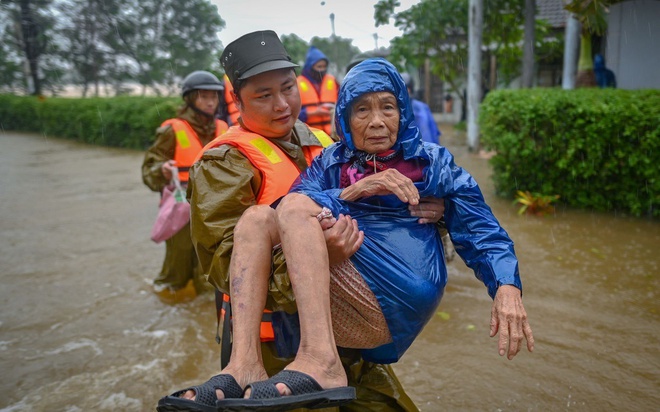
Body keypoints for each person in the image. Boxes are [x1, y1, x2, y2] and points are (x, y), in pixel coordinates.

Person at [160, 56, 534, 411]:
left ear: (403, 111)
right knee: (258, 218)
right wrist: (332, 239)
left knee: (291, 208)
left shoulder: (345, 147)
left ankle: (319, 359)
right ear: (237, 101)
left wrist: (498, 277)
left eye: (288, 88)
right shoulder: (233, 160)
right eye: (263, 95)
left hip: (356, 309)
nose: (281, 104)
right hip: (284, 326)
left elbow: (479, 225)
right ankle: (244, 364)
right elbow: (224, 263)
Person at [141, 70, 228, 303]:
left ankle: (203, 313)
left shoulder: (224, 129)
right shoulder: (172, 130)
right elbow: (148, 168)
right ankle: (167, 304)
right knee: (175, 272)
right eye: (203, 97)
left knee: (210, 272)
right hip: (181, 211)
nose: (210, 102)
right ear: (190, 98)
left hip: (214, 213)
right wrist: (161, 169)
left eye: (214, 97)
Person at [297, 46, 339, 136]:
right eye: (319, 66)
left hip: (332, 135)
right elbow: (291, 114)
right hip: (308, 135)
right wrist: (312, 113)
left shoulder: (332, 80)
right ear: (310, 67)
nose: (322, 70)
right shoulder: (297, 83)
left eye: (324, 66)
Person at [400, 73, 441, 145]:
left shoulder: (423, 107)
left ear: (410, 89)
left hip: (427, 149)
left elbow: (434, 132)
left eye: (406, 88)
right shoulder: (395, 110)